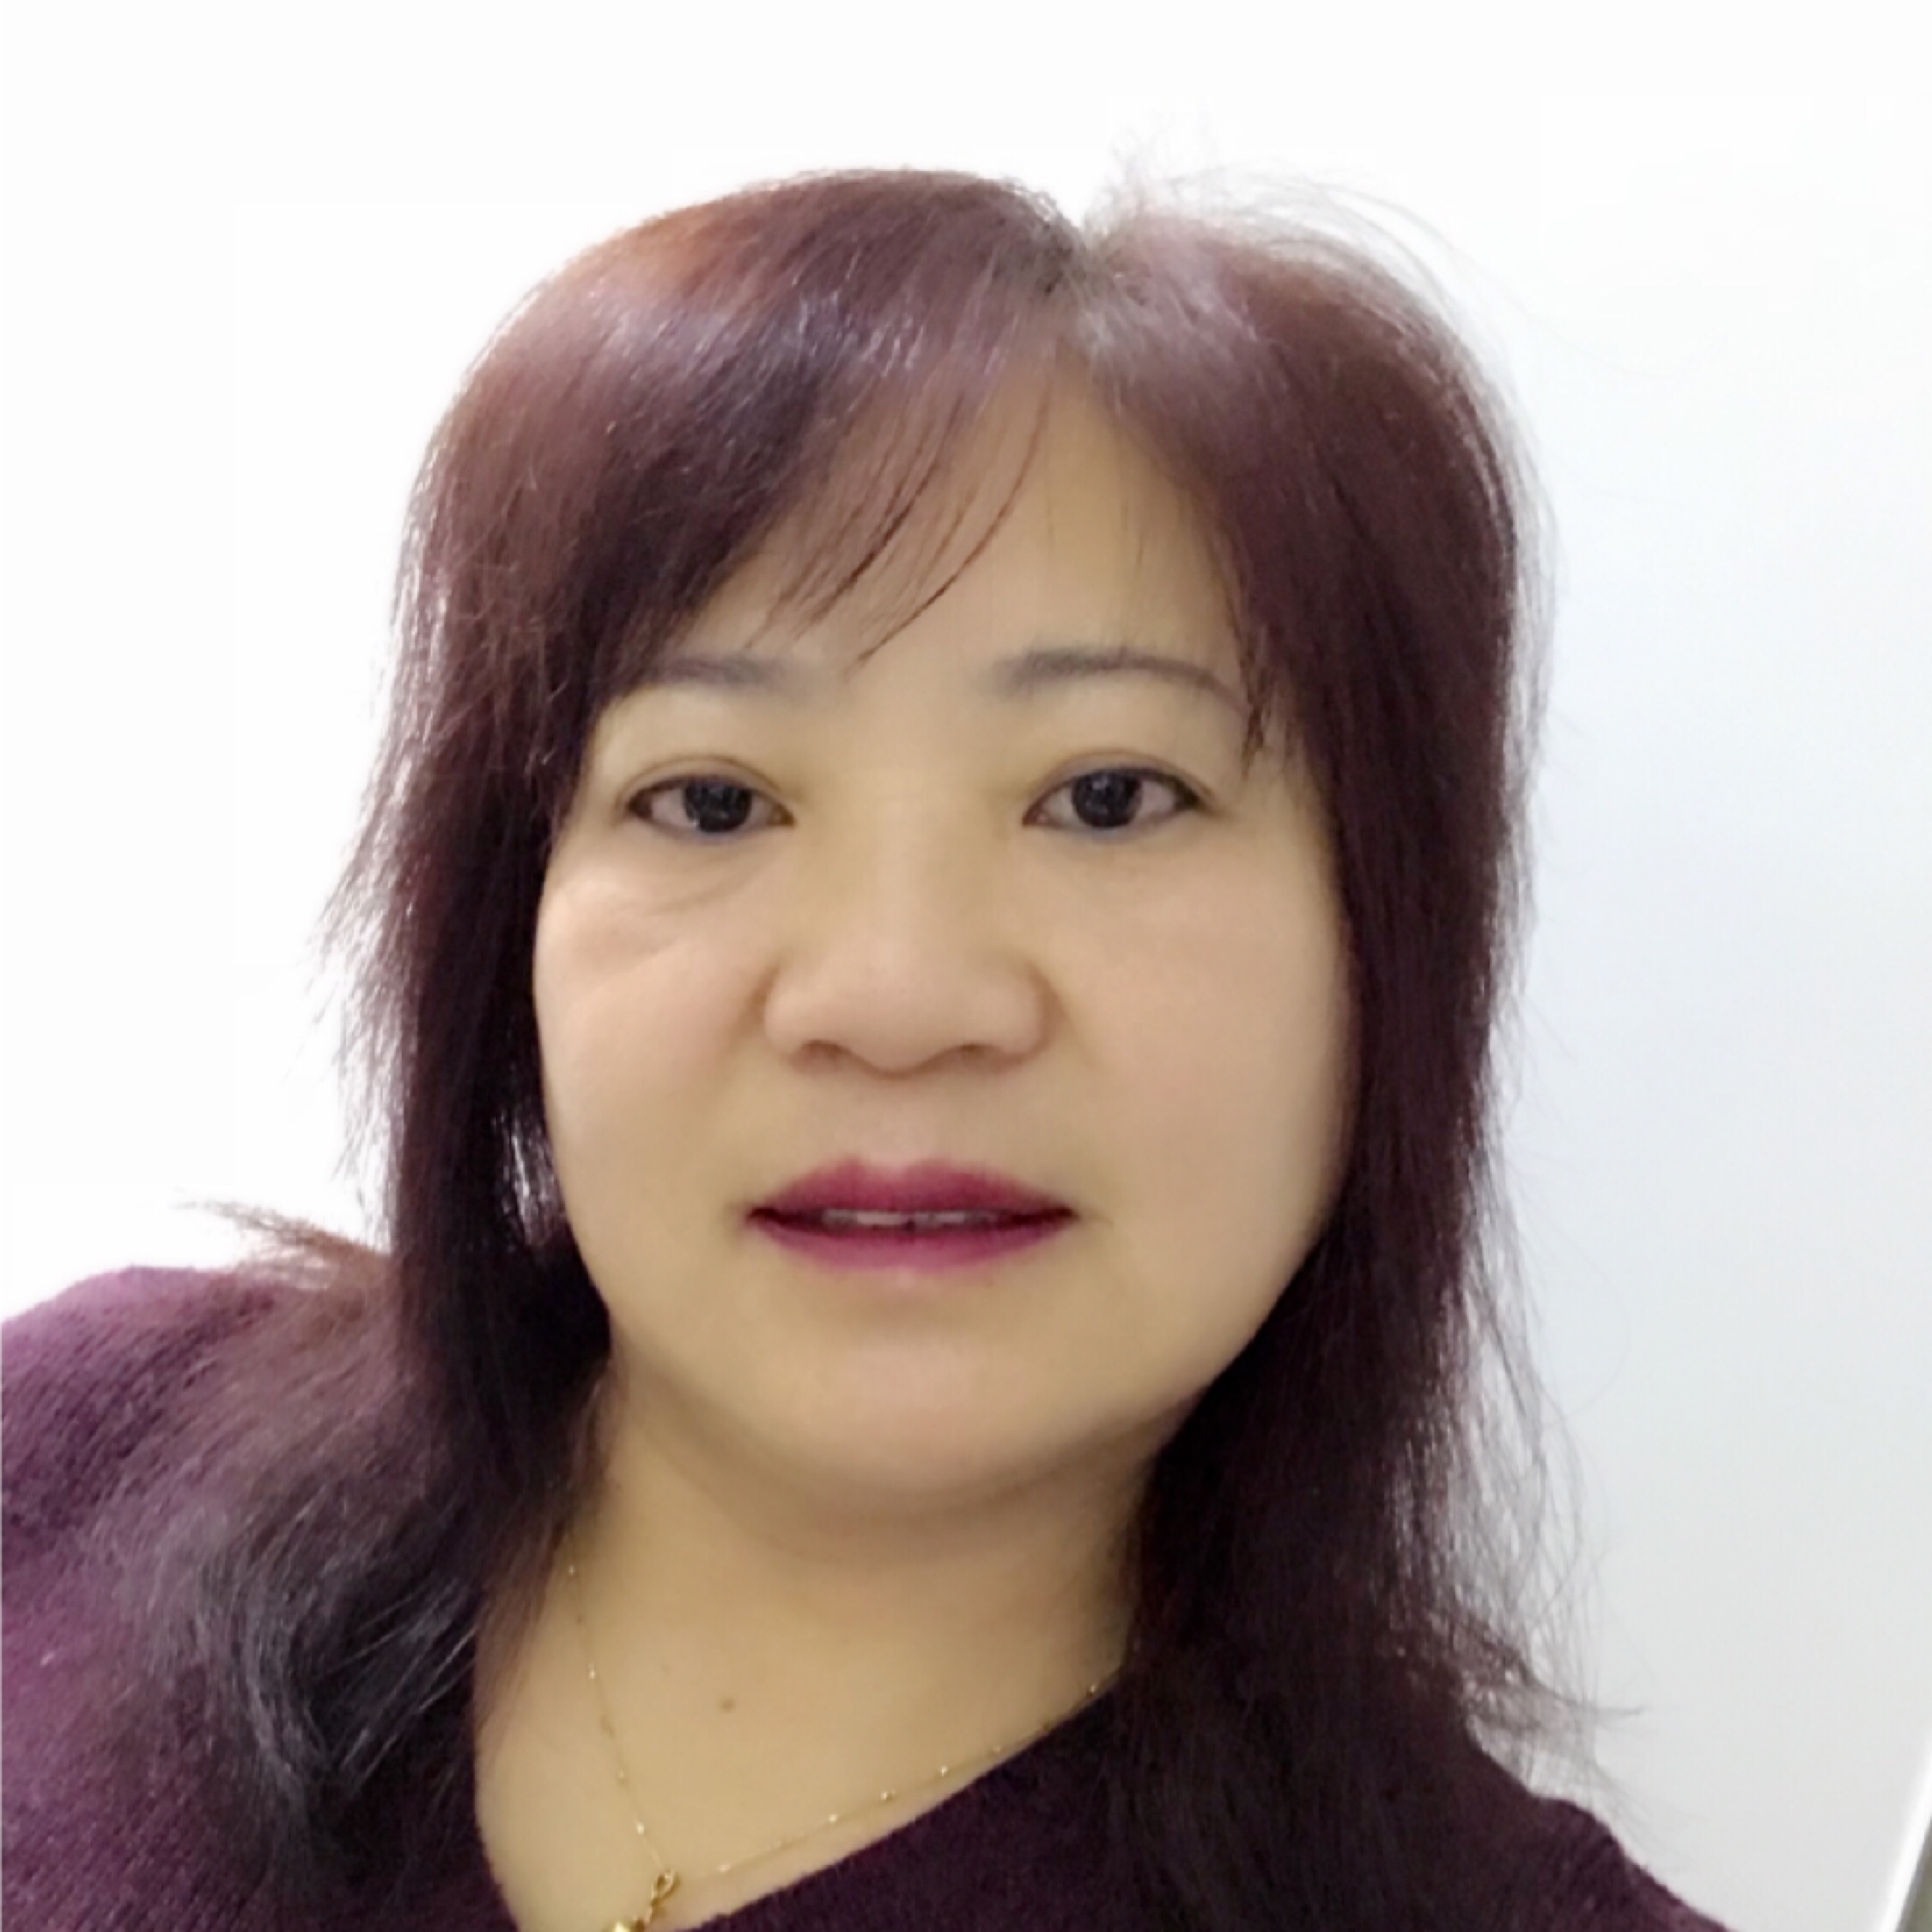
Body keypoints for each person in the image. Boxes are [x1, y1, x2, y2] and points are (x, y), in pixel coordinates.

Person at [1, 166, 1737, 1931]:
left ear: (1389, 946)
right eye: (712, 799)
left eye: (1109, 796)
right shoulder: (74, 1452)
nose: (895, 999)